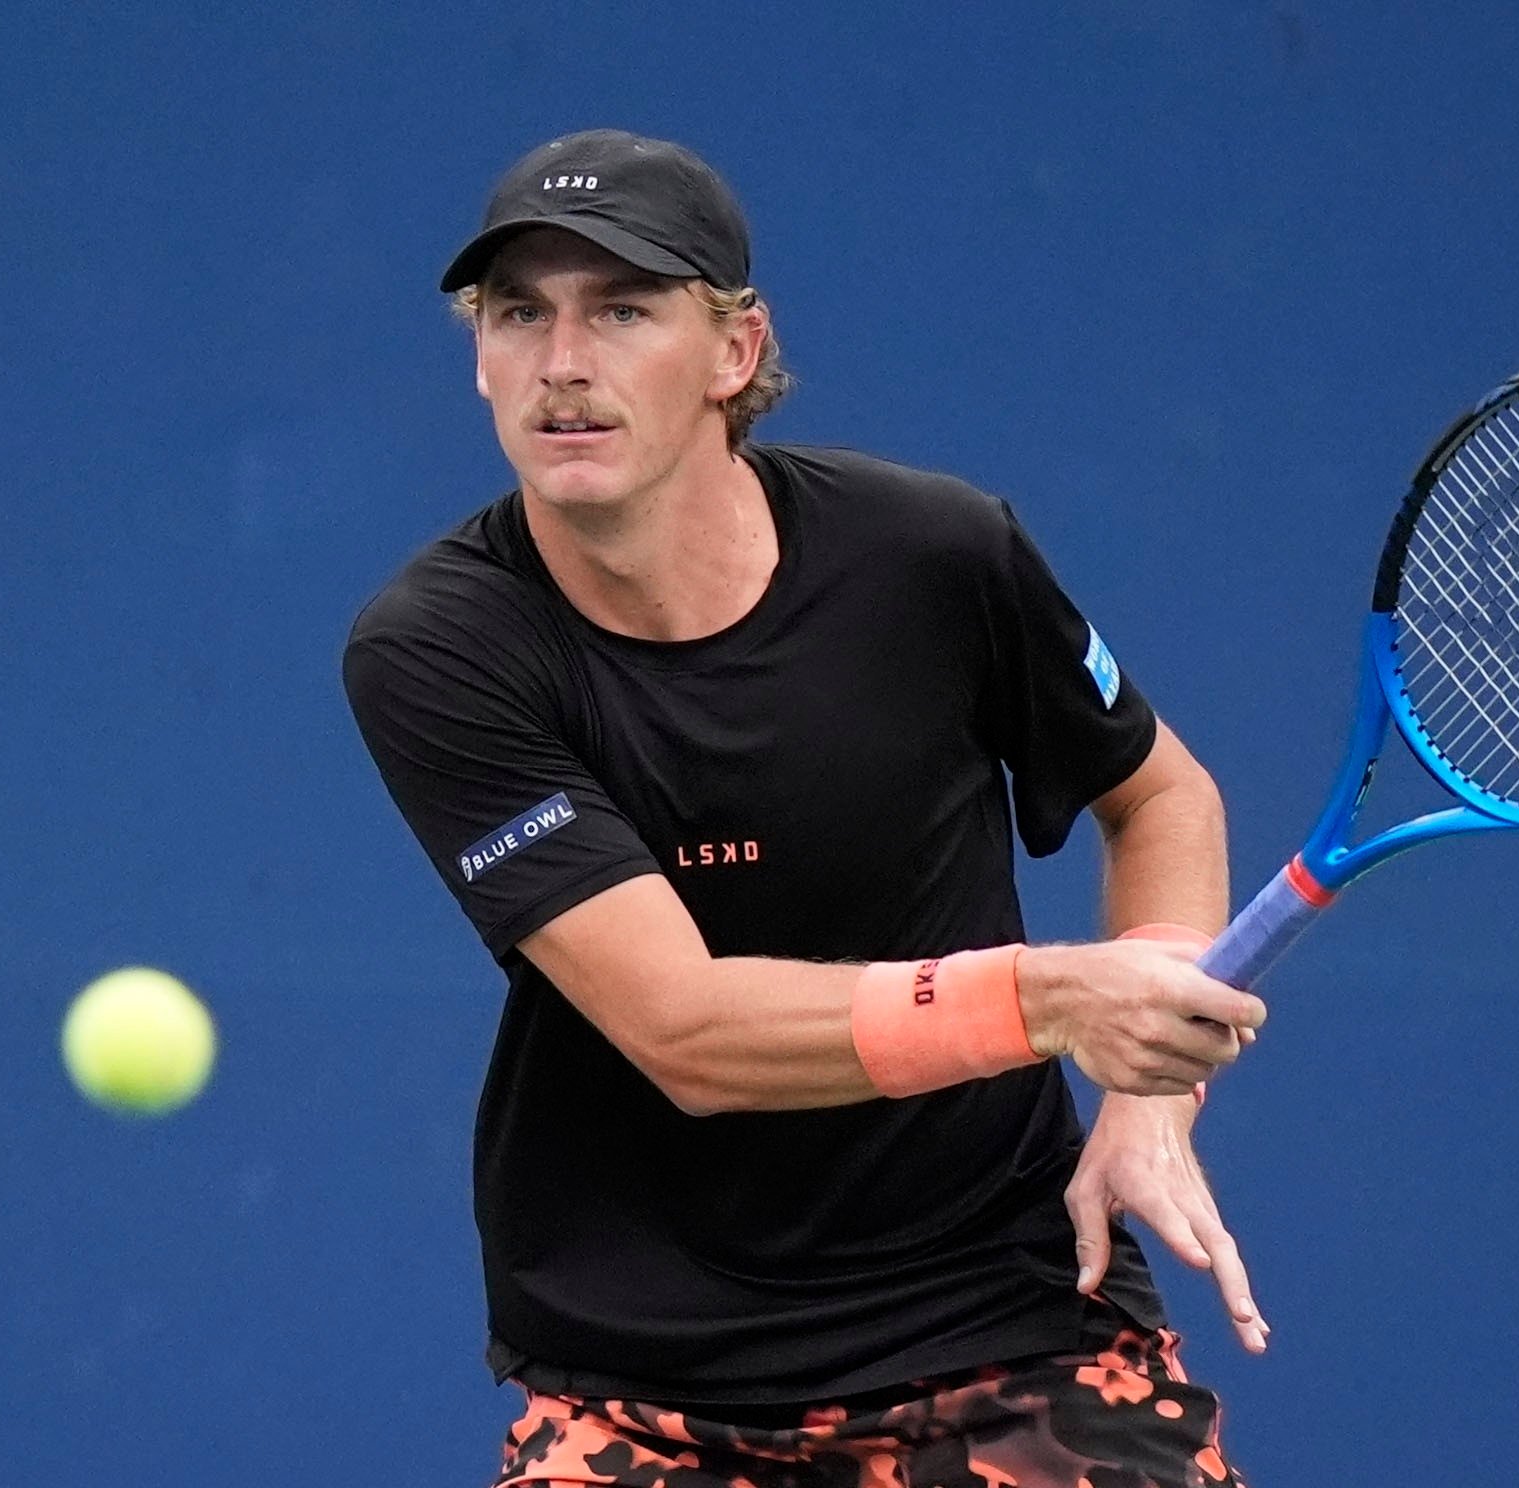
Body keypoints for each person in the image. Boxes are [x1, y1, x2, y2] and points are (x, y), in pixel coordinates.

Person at [343, 128, 1269, 1488]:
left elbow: (1162, 794)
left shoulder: (939, 555)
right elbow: (688, 1032)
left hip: (1015, 1330)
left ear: (733, 351)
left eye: (624, 308)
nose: (562, 362)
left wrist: (1148, 1101)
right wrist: (1057, 999)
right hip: (647, 1395)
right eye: (519, 312)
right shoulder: (439, 650)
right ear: (478, 354)